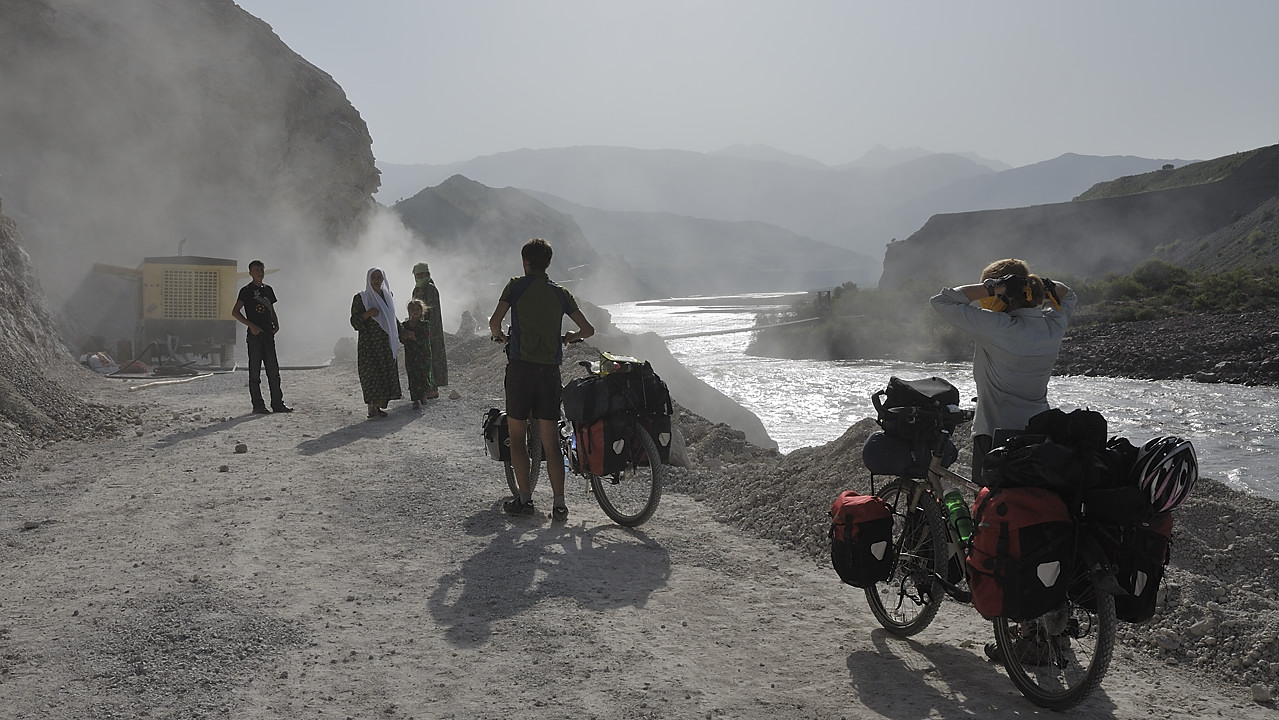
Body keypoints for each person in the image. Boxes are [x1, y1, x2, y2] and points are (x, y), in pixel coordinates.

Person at [930, 258, 1076, 666]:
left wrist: (990, 290)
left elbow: (942, 301)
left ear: (1003, 296)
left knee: (1002, 532)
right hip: (1042, 439)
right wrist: (1043, 284)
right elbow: (1070, 294)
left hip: (996, 440)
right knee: (1037, 526)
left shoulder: (997, 327)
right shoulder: (1052, 325)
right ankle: (1051, 627)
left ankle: (1025, 633)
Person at [489, 238, 595, 521]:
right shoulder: (560, 293)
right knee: (550, 442)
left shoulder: (516, 286)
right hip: (549, 373)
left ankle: (524, 501)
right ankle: (559, 505)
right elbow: (588, 328)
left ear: (525, 262)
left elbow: (494, 322)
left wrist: (500, 336)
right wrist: (571, 337)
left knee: (517, 437)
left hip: (521, 371)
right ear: (548, 263)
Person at [232, 259, 292, 414]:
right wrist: (251, 326)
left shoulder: (268, 290)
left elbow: (271, 309)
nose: (260, 273)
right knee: (255, 372)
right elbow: (235, 312)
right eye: (257, 270)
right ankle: (258, 405)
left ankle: (278, 404)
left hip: (268, 335)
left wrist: (276, 325)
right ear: (250, 273)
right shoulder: (246, 291)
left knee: (273, 371)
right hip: (255, 336)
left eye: (262, 270)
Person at [351, 267, 402, 419]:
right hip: (369, 345)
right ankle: (371, 407)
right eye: (374, 277)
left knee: (383, 373)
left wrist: (402, 331)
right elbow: (354, 321)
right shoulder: (361, 298)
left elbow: (392, 318)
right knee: (371, 374)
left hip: (385, 344)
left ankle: (378, 407)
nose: (377, 280)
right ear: (368, 279)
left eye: (379, 277)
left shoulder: (387, 296)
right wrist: (367, 314)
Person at [411, 262, 447, 399]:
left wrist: (428, 329)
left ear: (428, 274)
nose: (420, 277)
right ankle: (426, 387)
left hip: (431, 328)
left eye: (423, 274)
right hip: (420, 328)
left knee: (432, 357)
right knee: (423, 358)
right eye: (418, 274)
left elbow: (432, 311)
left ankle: (433, 388)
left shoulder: (430, 289)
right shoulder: (416, 290)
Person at [399, 298, 434, 409]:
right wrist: (405, 336)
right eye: (412, 309)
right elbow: (401, 339)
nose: (415, 312)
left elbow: (425, 339)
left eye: (417, 309)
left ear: (421, 311)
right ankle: (415, 400)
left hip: (423, 356)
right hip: (411, 356)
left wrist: (413, 336)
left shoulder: (425, 325)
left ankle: (423, 395)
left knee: (423, 376)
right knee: (413, 377)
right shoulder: (404, 325)